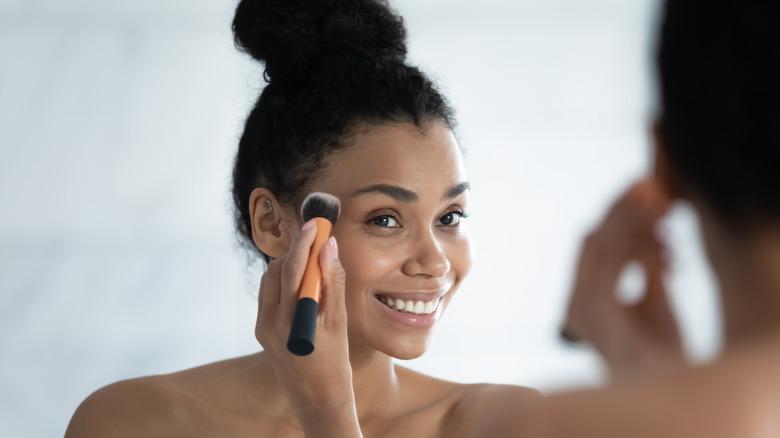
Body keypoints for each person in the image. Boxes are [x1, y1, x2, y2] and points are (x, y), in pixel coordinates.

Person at [64, 1, 542, 437]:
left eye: (450, 216)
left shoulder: (509, 424)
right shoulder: (131, 421)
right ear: (272, 224)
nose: (434, 262)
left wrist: (328, 413)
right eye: (385, 219)